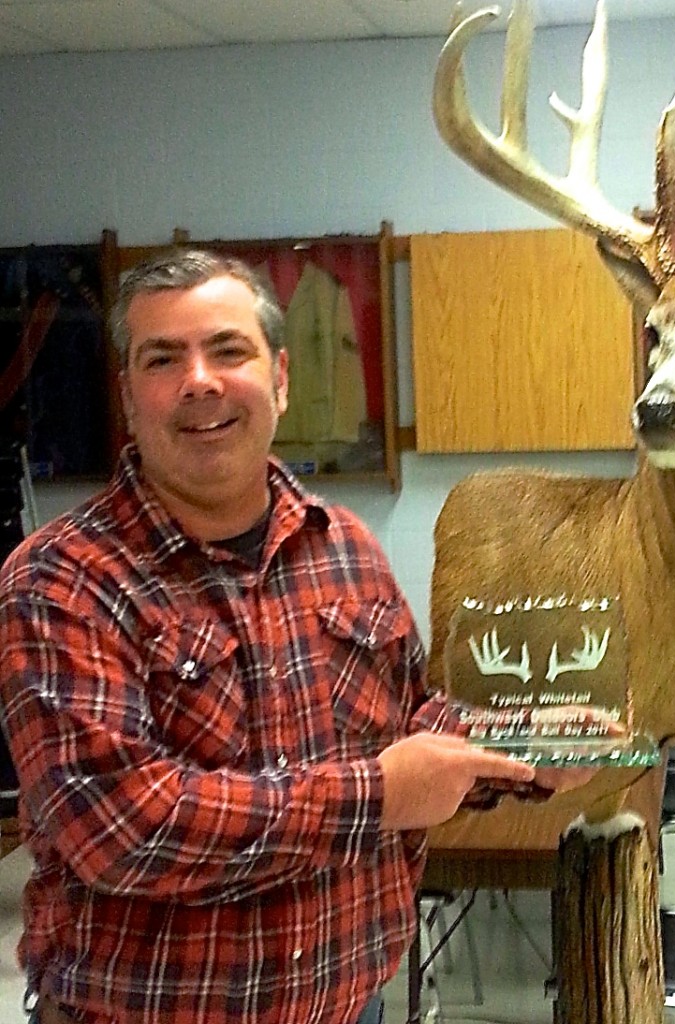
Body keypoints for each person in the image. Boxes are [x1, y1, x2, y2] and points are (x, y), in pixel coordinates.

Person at [0, 251, 593, 1024]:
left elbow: (408, 727)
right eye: (163, 358)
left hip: (353, 1005)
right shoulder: (60, 579)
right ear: (128, 395)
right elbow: (122, 826)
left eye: (228, 349)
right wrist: (377, 795)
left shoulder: (345, 547)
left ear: (279, 377)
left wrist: (520, 750)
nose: (201, 380)